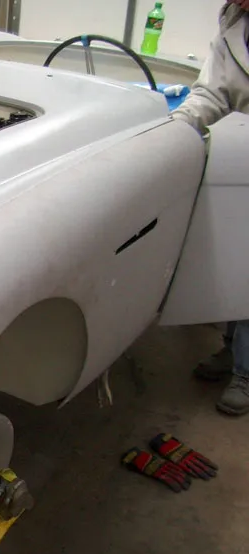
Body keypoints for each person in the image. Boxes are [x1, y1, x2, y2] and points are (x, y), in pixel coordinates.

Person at [172, 0, 249, 415]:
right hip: (241, 156)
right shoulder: (236, 24)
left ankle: (246, 372)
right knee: (238, 265)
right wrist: (177, 127)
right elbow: (211, 92)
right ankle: (234, 351)